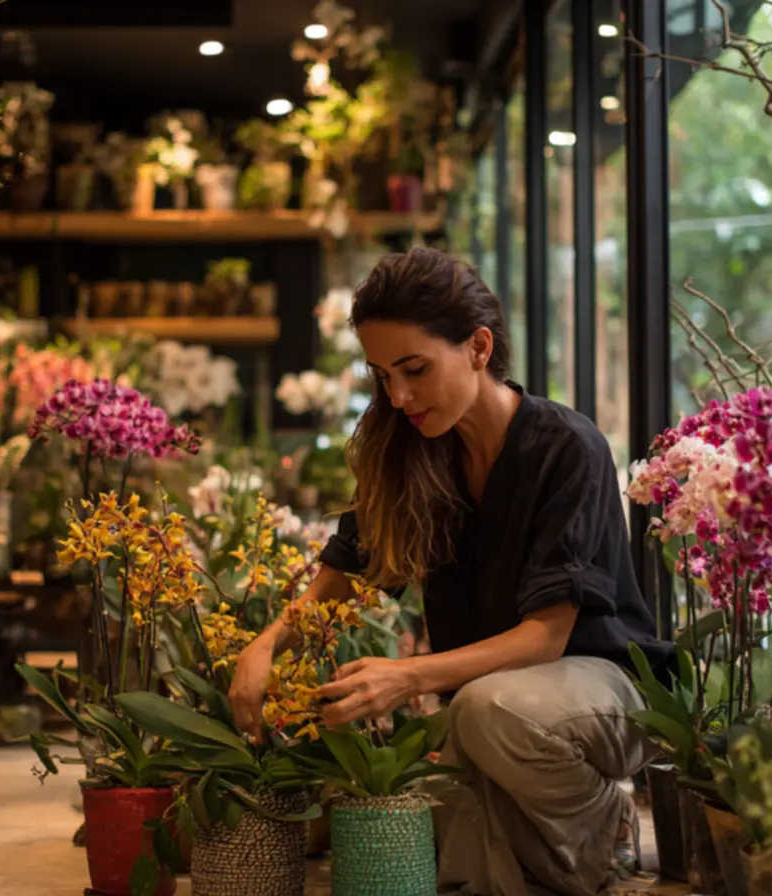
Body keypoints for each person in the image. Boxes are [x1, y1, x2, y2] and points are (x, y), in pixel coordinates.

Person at [229, 246, 675, 896]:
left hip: (599, 693)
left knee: (486, 712)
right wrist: (263, 647)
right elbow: (346, 574)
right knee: (424, 819)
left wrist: (405, 676)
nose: (399, 395)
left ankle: (600, 824)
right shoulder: (409, 447)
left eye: (414, 369)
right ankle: (553, 863)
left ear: (479, 347)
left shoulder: (567, 450)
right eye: (382, 375)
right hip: (485, 704)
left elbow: (545, 637)